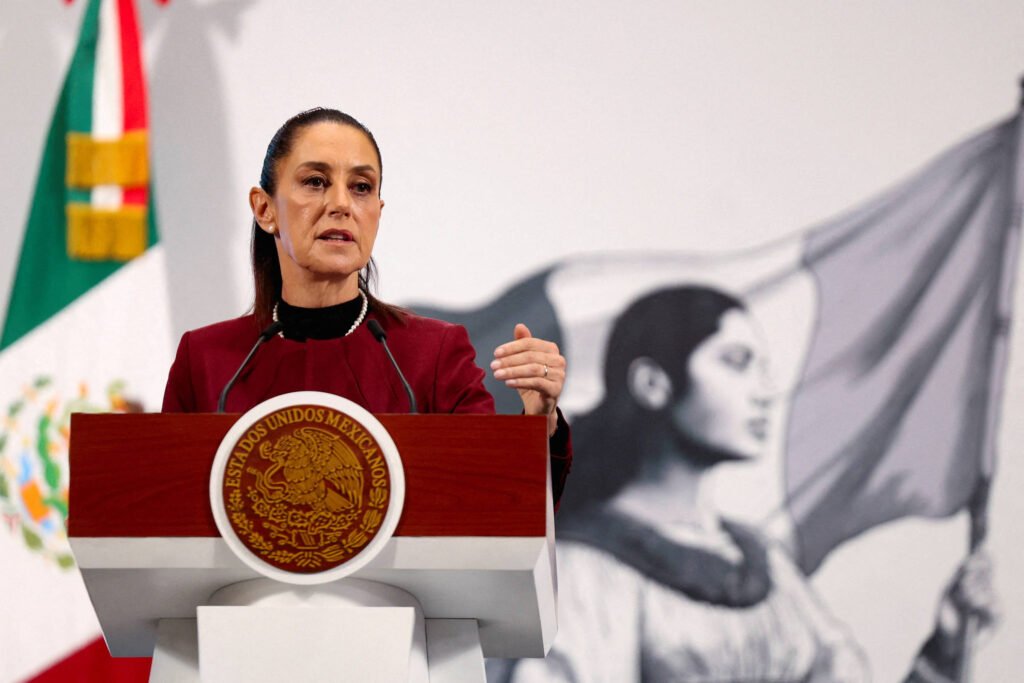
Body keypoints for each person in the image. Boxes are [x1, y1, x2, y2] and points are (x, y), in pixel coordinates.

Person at [490, 286, 995, 683]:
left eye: (763, 368)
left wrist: (945, 646)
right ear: (653, 383)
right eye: (737, 362)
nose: (765, 391)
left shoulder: (766, 566)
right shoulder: (586, 569)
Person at [162, 107, 571, 501]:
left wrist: (541, 422)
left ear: (377, 212)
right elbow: (163, 509)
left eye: (361, 187)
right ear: (265, 209)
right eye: (316, 181)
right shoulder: (207, 361)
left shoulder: (431, 355)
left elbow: (497, 505)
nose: (342, 204)